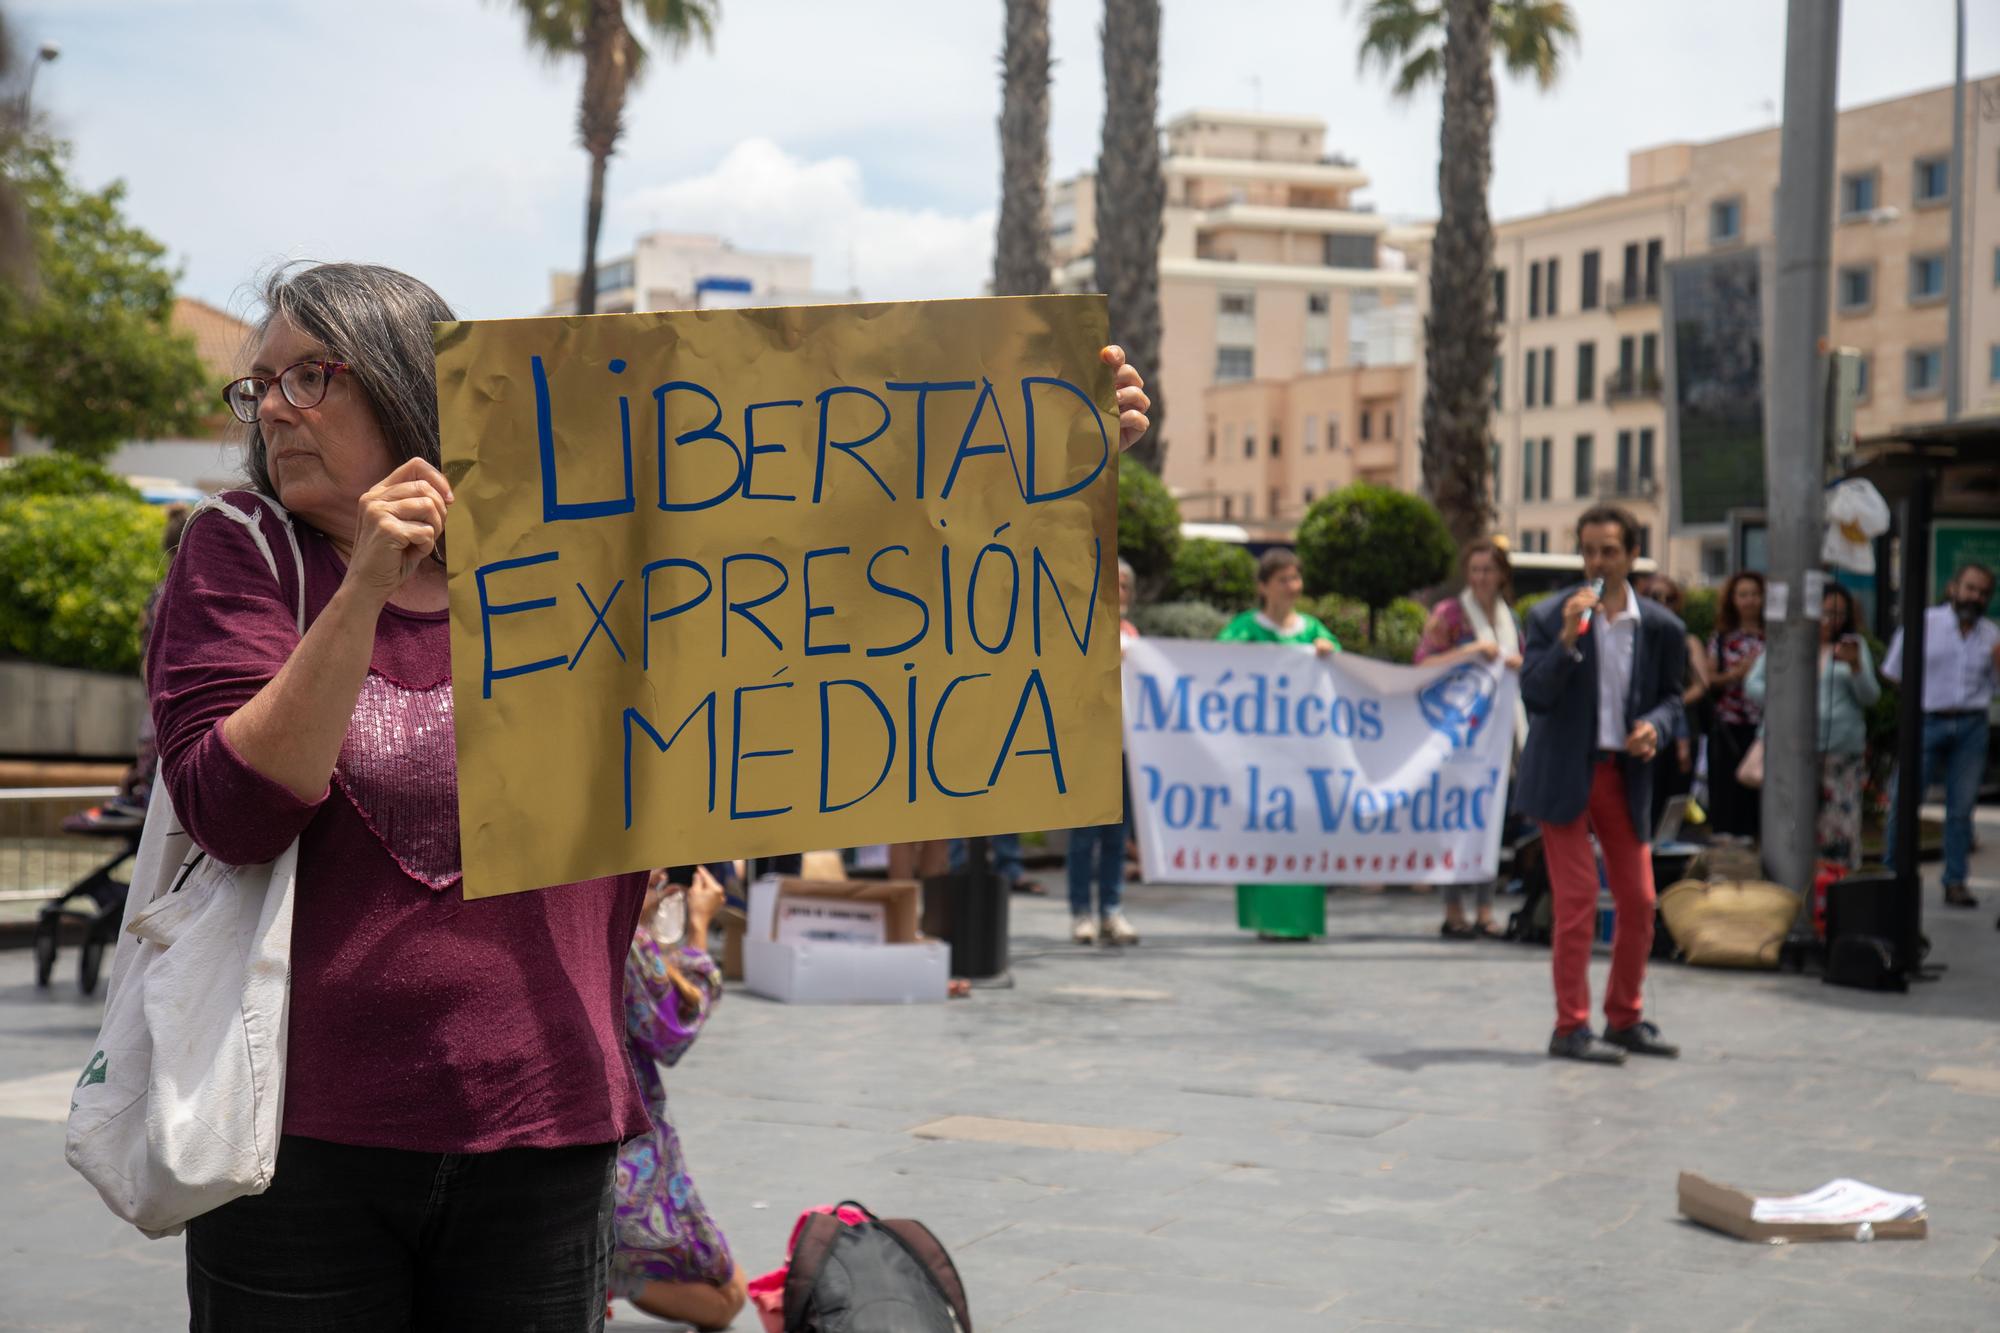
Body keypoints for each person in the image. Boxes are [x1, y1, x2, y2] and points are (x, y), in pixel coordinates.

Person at [150, 261, 1156, 1324]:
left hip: (546, 1123)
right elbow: (237, 810)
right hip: (298, 1138)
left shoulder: (586, 545)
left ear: (412, 385)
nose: (271, 407)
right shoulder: (241, 554)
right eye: (257, 385)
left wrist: (1044, 463)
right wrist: (363, 590)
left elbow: (843, 568)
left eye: (310, 375)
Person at [1515, 505, 1685, 1065]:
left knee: (1639, 900)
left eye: (1608, 551)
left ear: (1632, 555)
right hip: (1565, 773)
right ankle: (1570, 1027)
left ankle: (1625, 1017)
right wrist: (1567, 639)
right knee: (1579, 897)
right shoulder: (1547, 616)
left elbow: (1673, 701)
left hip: (1621, 774)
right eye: (1587, 550)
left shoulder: (1660, 627)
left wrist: (1653, 729)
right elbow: (1535, 696)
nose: (1596, 562)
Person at [612, 866, 745, 1329]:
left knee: (729, 1291)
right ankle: (609, 1277)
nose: (662, 870)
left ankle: (609, 1274)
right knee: (725, 1301)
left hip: (621, 1140)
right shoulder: (616, 930)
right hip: (622, 1154)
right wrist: (701, 925)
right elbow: (672, 1028)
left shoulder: (613, 923)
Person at [1218, 550, 1339, 939]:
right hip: (1258, 755)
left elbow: (1340, 672)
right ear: (1263, 586)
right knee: (1263, 833)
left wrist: (1328, 652)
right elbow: (1213, 666)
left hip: (1302, 756)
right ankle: (1267, 920)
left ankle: (1300, 920)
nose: (1292, 587)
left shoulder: (1311, 630)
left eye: (1295, 579)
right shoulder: (1243, 630)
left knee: (1301, 832)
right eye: (1283, 579)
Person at [1415, 537, 1524, 939]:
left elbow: (1522, 670)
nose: (1480, 577)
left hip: (1499, 737)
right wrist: (1471, 652)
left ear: (1501, 575)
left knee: (1490, 820)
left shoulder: (1509, 618)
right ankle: (1453, 908)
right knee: (1455, 821)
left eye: (1488, 570)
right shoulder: (1450, 613)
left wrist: (1515, 662)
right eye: (1475, 569)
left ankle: (1484, 908)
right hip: (1458, 736)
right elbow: (1423, 662)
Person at [1882, 562, 1999, 909]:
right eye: (1969, 588)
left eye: (1982, 592)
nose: (1974, 596)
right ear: (1953, 588)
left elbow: (1996, 687)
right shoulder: (1924, 624)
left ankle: (1955, 881)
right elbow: (1893, 671)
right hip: (1927, 719)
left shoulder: (1991, 635)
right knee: (1904, 802)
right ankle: (1893, 876)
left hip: (1971, 725)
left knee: (1961, 809)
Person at [1744, 582, 1878, 870]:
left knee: (1836, 828)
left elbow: (1870, 697)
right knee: (1791, 826)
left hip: (1839, 753)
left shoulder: (1853, 647)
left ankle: (1834, 890)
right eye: (1826, 612)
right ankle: (1792, 888)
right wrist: (1785, 699)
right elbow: (1753, 685)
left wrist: (1855, 667)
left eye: (1840, 614)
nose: (1832, 621)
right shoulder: (1789, 644)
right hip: (1792, 750)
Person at [1066, 558, 1140, 945]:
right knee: (1084, 837)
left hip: (1127, 750)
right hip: (1090, 748)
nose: (1119, 591)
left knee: (1116, 837)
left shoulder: (1133, 634)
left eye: (1125, 585)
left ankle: (1111, 909)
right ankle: (1081, 913)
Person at [1635, 575, 1711, 832]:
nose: (1663, 603)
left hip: (1681, 726)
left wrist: (1670, 705)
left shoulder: (1686, 640)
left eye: (1670, 598)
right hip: (1644, 727)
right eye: (1656, 597)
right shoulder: (1635, 637)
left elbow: (1702, 684)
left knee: (1675, 792)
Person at [1705, 571, 1767, 841]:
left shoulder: (1774, 636)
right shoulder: (1721, 638)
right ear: (1732, 599)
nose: (1750, 601)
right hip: (1729, 724)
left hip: (1764, 725)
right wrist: (1737, 674)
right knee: (1729, 789)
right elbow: (1709, 680)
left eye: (1755, 594)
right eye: (1743, 595)